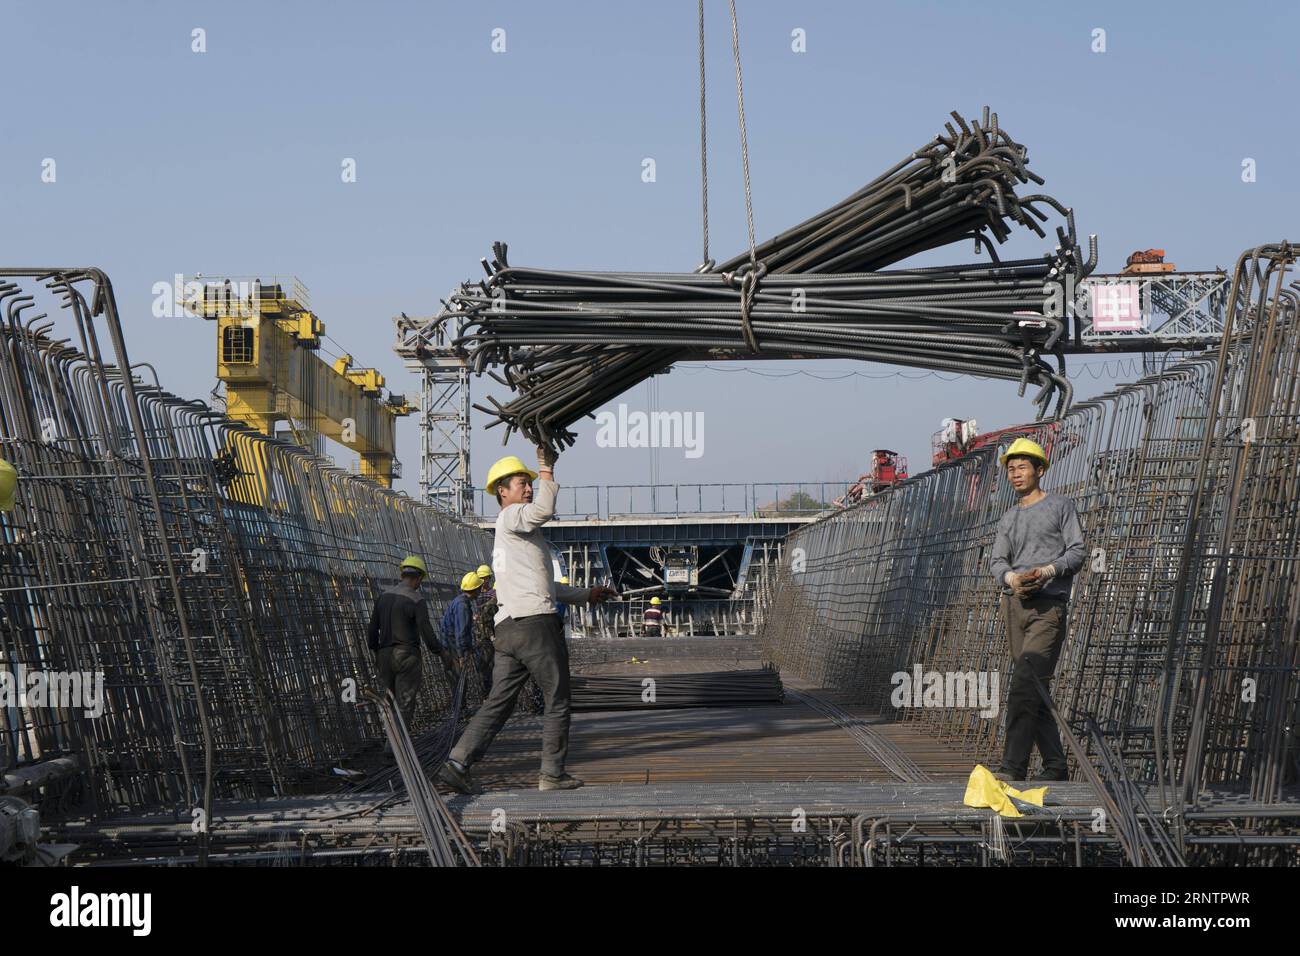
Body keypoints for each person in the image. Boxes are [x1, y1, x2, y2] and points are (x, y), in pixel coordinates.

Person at [437, 448, 617, 793]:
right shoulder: (513, 516)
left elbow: (542, 585)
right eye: (523, 483)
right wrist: (547, 469)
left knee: (499, 702)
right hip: (536, 626)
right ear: (502, 492)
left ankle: (458, 762)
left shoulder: (516, 537)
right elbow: (544, 510)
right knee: (558, 697)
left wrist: (585, 595)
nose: (529, 488)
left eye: (530, 483)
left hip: (510, 631)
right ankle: (551, 773)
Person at [989, 438, 1086, 783]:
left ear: (1040, 470)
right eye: (1011, 469)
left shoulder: (1061, 506)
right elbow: (997, 560)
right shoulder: (1009, 517)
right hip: (1016, 605)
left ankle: (1012, 769)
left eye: (1022, 467)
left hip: (1048, 608)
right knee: (1035, 688)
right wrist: (1012, 578)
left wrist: (1046, 571)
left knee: (1023, 684)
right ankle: (1056, 767)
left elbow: (1077, 552)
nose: (1015, 474)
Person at [367, 556, 441, 732]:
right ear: (418, 578)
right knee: (405, 703)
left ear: (403, 574)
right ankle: (394, 749)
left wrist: (376, 651)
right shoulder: (416, 598)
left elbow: (372, 629)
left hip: (384, 655)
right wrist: (440, 652)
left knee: (388, 701)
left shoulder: (383, 597)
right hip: (406, 655)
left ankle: (391, 743)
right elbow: (426, 630)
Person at [442, 571, 488, 693]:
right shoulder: (462, 605)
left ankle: (460, 708)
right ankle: (460, 709)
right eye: (479, 588)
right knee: (459, 680)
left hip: (451, 645)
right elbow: (460, 631)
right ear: (476, 589)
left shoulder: (460, 601)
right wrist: (461, 654)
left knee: (458, 680)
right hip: (454, 648)